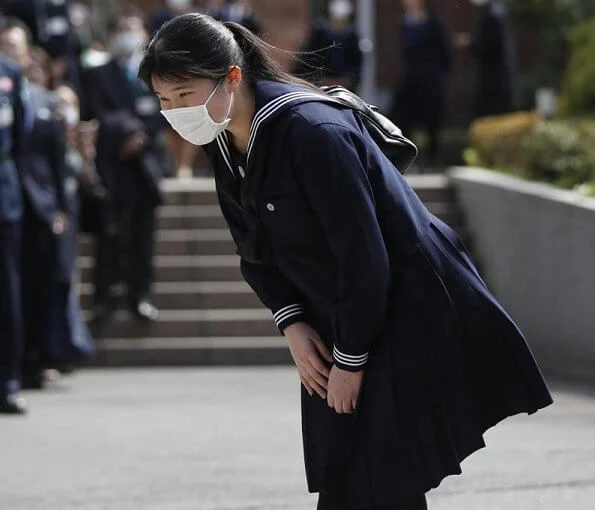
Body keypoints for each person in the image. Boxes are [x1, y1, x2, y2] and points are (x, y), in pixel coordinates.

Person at [139, 13, 553, 509]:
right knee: (355, 475)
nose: (176, 112)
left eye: (185, 95)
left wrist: (351, 359)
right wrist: (291, 321)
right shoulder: (225, 139)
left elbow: (364, 255)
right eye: (164, 101)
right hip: (337, 314)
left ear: (232, 76)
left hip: (401, 308)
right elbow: (251, 246)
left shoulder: (313, 132)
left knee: (380, 477)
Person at [82, 10, 171, 322]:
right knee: (109, 234)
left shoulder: (156, 71)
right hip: (113, 162)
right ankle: (105, 296)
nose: (127, 35)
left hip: (145, 164)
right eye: (121, 29)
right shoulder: (97, 74)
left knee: (143, 235)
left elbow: (165, 108)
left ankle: (140, 295)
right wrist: (123, 135)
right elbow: (94, 111)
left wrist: (141, 135)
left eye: (132, 29)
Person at [0, 19, 70, 389]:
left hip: (23, 200)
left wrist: (59, 206)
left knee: (24, 288)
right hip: (14, 198)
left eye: (16, 45)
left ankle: (22, 369)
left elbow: (52, 158)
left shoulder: (23, 86)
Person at [0, 37, 29, 414]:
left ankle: (8, 381)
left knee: (7, 293)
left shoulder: (8, 72)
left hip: (3, 194)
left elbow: (20, 136)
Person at [390, 0, 451, 167]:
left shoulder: (434, 24)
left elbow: (445, 55)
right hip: (410, 80)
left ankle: (433, 160)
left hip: (430, 81)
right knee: (404, 121)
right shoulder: (405, 23)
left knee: (432, 123)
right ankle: (405, 160)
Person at [456, 0, 515, 118]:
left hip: (493, 78)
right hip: (498, 75)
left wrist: (470, 42)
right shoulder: (496, 12)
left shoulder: (492, 15)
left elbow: (488, 44)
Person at [296, 0, 362, 91]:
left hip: (345, 86)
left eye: (342, 21)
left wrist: (348, 79)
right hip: (322, 83)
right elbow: (311, 58)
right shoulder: (320, 34)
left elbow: (356, 63)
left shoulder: (351, 37)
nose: (338, 24)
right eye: (336, 20)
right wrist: (319, 79)